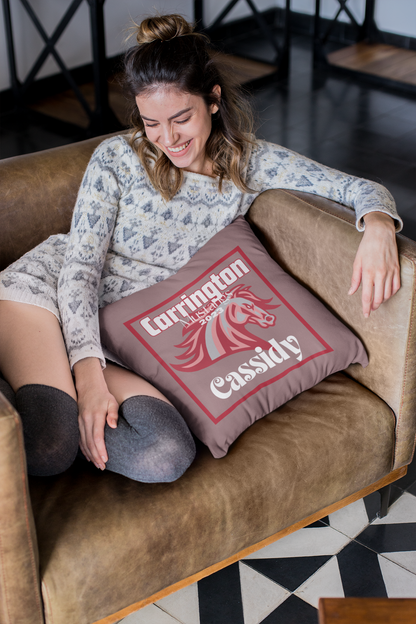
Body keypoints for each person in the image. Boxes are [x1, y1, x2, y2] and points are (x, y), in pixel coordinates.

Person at [0, 14, 402, 481]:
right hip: (48, 295)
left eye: (181, 118)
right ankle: (44, 380)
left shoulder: (250, 164)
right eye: (151, 122)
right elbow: (80, 269)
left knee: (165, 455)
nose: (168, 139)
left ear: (212, 100)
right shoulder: (117, 158)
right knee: (50, 446)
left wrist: (377, 226)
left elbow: (359, 188)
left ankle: (45, 384)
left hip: (126, 331)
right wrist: (88, 381)